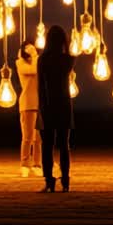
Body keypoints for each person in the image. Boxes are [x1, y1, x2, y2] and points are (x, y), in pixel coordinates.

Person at [36, 25, 75, 192]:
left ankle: (49, 181)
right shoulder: (68, 60)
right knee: (64, 145)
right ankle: (65, 181)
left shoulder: (42, 59)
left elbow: (40, 86)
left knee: (47, 145)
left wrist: (42, 107)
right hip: (64, 104)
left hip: (47, 104)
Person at [15, 41, 42, 178]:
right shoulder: (20, 62)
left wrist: (35, 57)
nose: (31, 49)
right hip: (28, 103)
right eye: (28, 47)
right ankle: (25, 164)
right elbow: (32, 70)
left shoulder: (37, 61)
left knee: (38, 138)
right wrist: (34, 55)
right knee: (28, 137)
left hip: (39, 104)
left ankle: (37, 164)